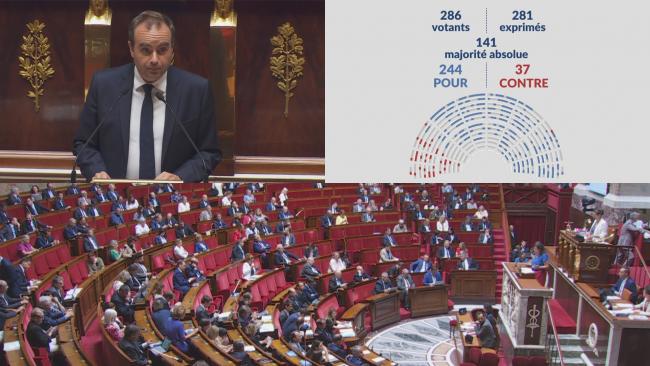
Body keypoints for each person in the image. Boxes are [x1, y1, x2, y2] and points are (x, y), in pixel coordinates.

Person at [74, 10, 220, 181]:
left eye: (162, 50)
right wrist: (97, 171)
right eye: (145, 50)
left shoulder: (196, 90)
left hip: (171, 198)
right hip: (115, 197)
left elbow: (209, 152)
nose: (154, 59)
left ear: (172, 49)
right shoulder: (104, 85)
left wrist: (180, 177)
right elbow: (84, 143)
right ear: (131, 49)